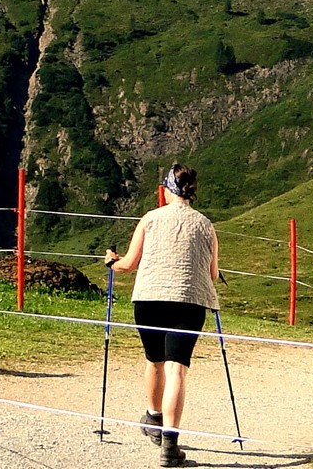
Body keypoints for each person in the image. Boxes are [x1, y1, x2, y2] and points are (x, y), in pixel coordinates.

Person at [105, 163, 221, 468]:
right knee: (177, 370)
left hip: (149, 300)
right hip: (189, 302)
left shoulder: (150, 219)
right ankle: (170, 446)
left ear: (168, 188)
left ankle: (153, 417)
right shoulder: (206, 225)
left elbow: (128, 263)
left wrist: (111, 263)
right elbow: (213, 273)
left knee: (154, 359)